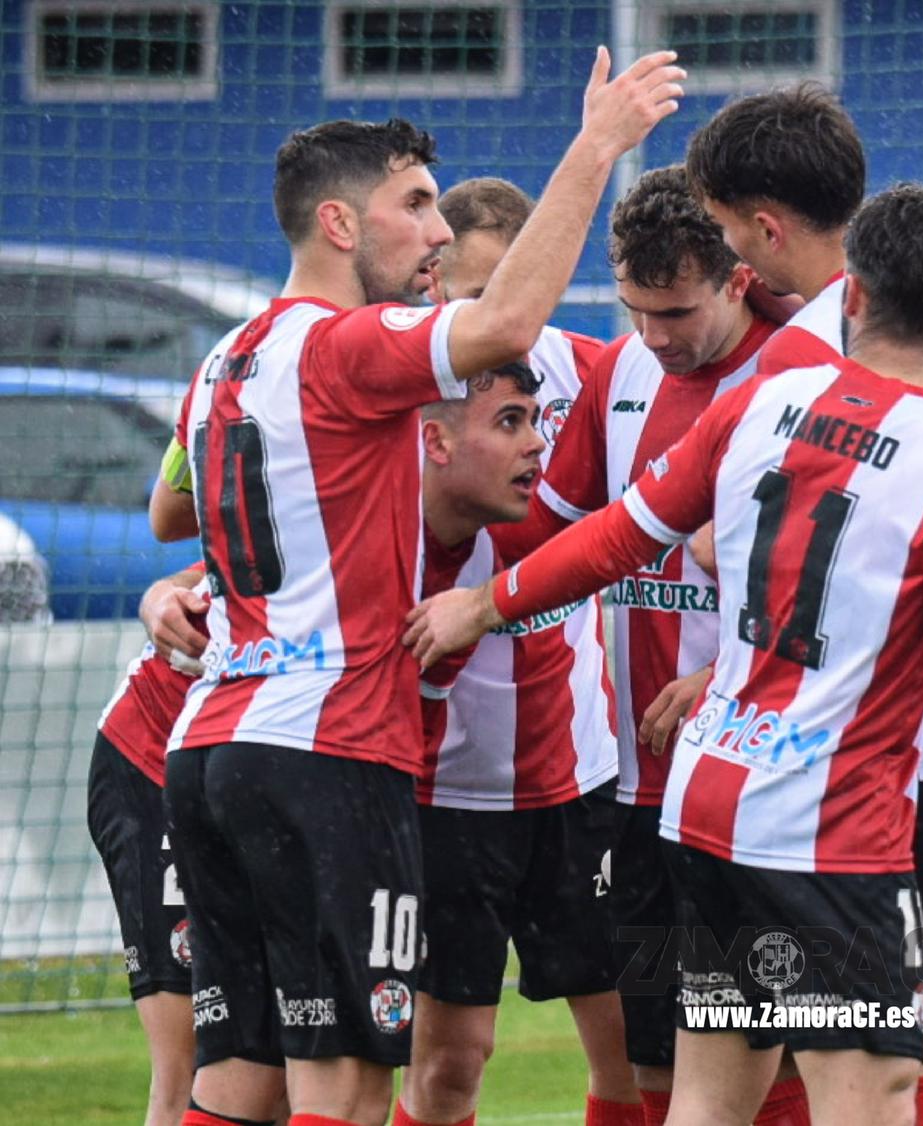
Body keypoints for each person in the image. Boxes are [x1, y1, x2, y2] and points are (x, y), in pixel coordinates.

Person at [402, 183, 923, 1126]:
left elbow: (619, 535)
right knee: (873, 1089)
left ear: (849, 299)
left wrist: (488, 602)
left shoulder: (764, 404)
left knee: (710, 1099)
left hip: (709, 799)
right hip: (835, 825)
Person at [160, 51, 684, 1126]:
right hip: (331, 748)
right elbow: (498, 331)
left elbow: (194, 516)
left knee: (240, 1078)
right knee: (348, 1084)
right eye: (413, 206)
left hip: (213, 739)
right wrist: (595, 149)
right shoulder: (344, 348)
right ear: (342, 226)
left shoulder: (225, 359)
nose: (438, 233)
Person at [684, 84, 923, 1125]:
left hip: (907, 744)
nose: (731, 265)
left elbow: (757, 549)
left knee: (902, 1054)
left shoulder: (805, 357)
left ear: (765, 227)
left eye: (727, 235)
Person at [482, 164, 787, 1126]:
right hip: (639, 790)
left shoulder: (803, 380)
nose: (655, 336)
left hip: (767, 787)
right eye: (634, 310)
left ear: (739, 277)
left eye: (677, 312)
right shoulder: (623, 375)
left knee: (795, 1067)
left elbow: (864, 590)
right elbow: (548, 536)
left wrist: (735, 674)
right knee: (653, 1066)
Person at [395, 177, 638, 1126]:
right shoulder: (401, 397)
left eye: (520, 291)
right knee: (452, 1064)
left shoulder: (601, 376)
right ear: (434, 292)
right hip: (444, 792)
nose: (505, 319)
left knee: (630, 1043)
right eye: (476, 297)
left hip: (582, 776)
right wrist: (177, 587)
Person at [86, 564, 212, 1126]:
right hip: (151, 764)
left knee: (272, 1060)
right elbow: (171, 520)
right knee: (190, 1060)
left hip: (255, 780)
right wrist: (160, 597)